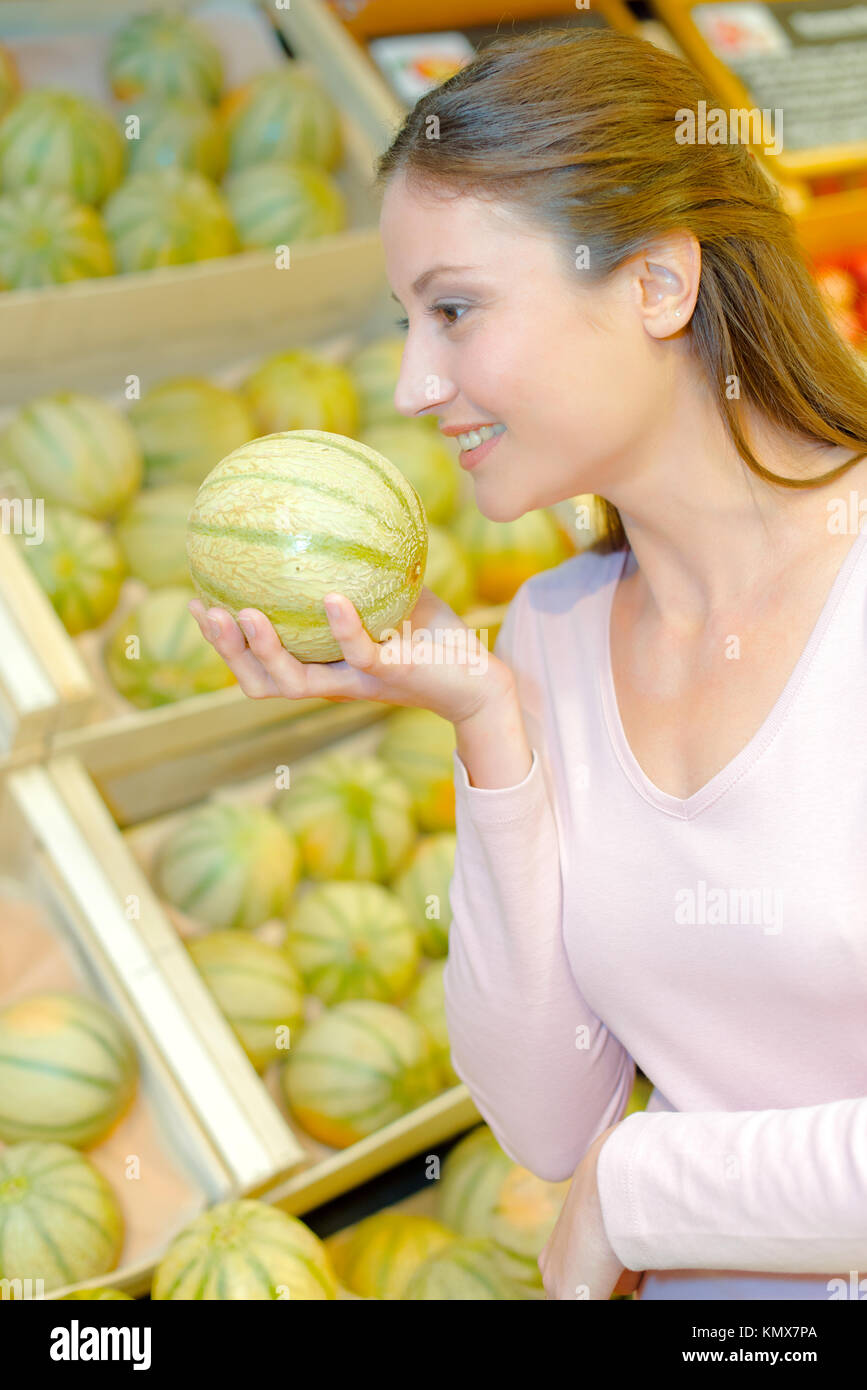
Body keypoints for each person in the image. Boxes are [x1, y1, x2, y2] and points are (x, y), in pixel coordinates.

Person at [189, 28, 867, 1300]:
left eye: (455, 310)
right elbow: (547, 1119)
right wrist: (487, 724)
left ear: (660, 285)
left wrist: (637, 1189)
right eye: (405, 322)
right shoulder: (552, 634)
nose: (410, 383)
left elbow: (597, 1172)